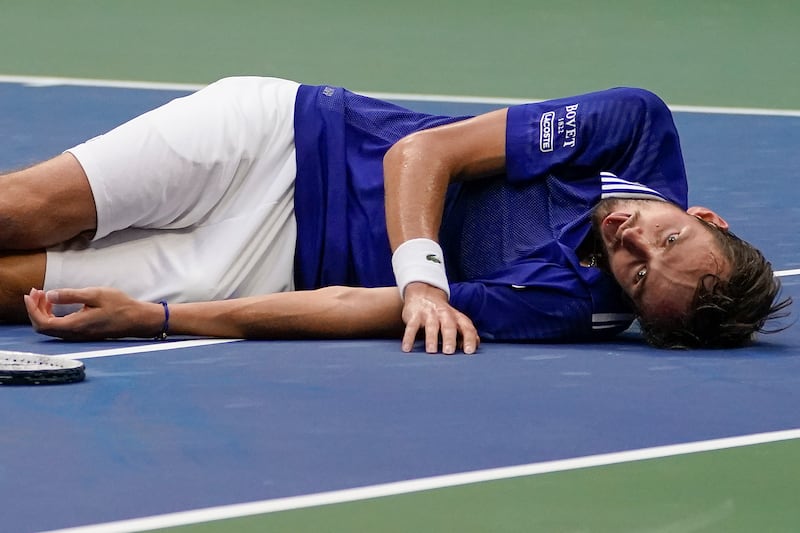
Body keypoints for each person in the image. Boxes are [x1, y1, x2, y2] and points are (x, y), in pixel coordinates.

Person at [0, 77, 789, 353]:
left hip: (271, 264)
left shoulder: (566, 306)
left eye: (639, 274)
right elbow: (421, 155)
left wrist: (161, 315)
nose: (634, 240)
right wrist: (423, 281)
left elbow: (354, 307)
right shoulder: (634, 125)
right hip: (280, 139)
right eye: (669, 233)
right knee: (20, 211)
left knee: (18, 291)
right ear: (706, 213)